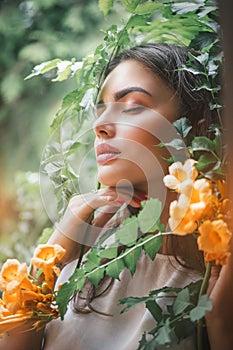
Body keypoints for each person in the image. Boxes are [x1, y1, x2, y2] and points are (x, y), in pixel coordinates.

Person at [1, 43, 233, 350]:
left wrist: (221, 326)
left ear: (193, 131)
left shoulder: (217, 273)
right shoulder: (86, 245)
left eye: (133, 106)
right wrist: (54, 253)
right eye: (101, 110)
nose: (99, 126)